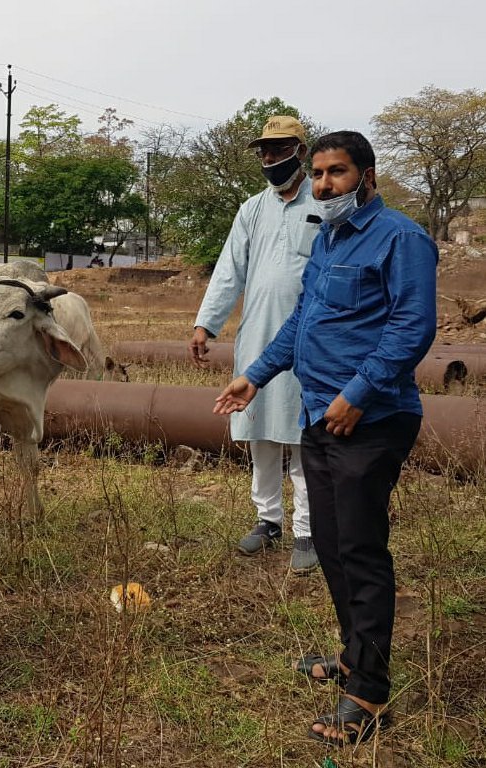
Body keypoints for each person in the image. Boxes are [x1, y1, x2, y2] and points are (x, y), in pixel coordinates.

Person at [214, 131, 438, 744]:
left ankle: (367, 695)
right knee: (334, 546)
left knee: (361, 550)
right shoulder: (328, 237)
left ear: (366, 176)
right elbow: (301, 322)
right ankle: (351, 656)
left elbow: (413, 326)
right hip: (319, 413)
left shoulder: (402, 238)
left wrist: (358, 393)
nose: (322, 185)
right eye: (316, 175)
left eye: (336, 173)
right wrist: (254, 377)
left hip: (371, 419)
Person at [190, 115, 318, 573]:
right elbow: (230, 270)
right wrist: (207, 323)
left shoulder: (323, 203)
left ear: (300, 151)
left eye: (279, 149)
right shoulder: (252, 209)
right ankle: (268, 520)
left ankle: (308, 529)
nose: (269, 158)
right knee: (260, 429)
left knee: (303, 435)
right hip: (258, 336)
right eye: (264, 150)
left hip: (309, 338)